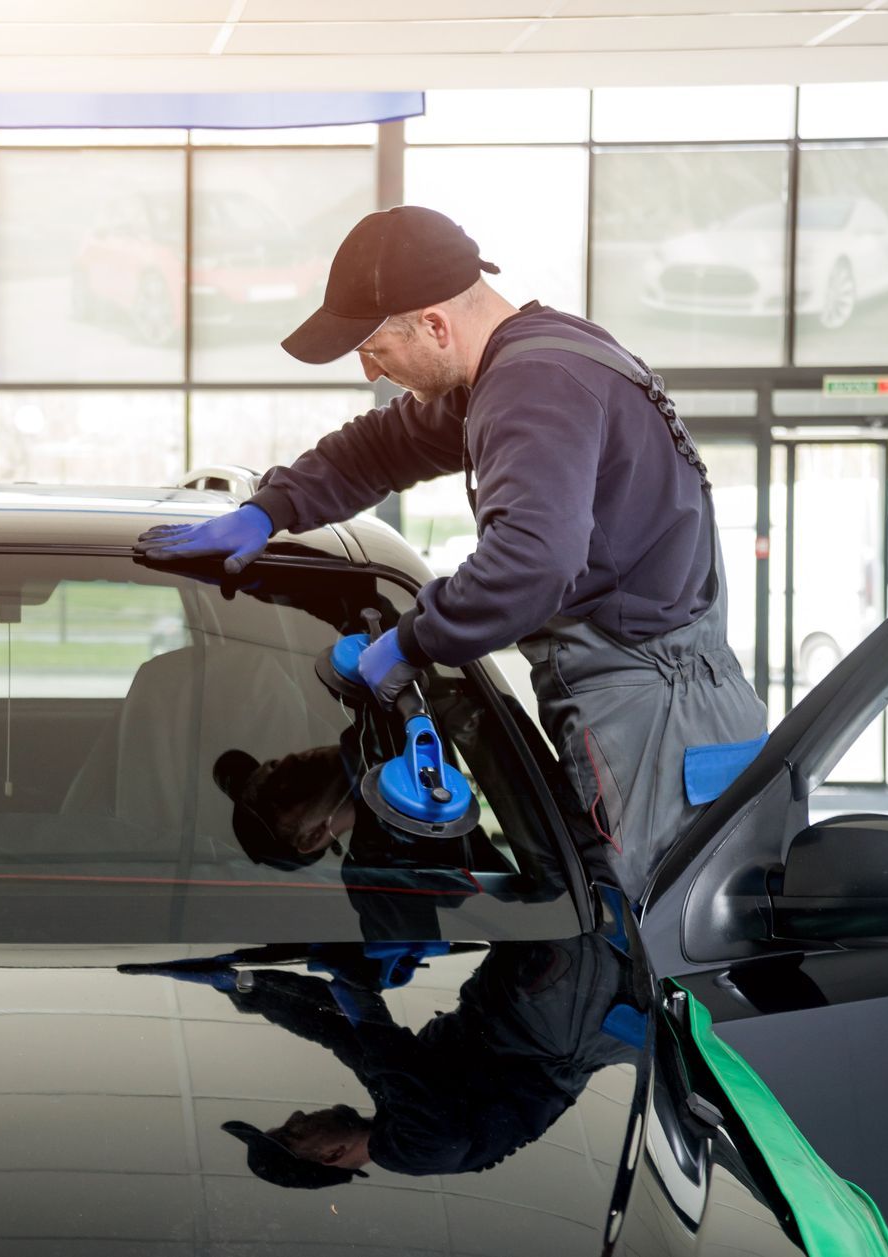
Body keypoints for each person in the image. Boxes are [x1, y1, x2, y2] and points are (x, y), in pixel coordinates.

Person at [136, 206, 767, 892]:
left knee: (653, 948)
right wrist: (272, 506)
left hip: (659, 725)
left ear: (435, 325)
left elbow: (534, 560)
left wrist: (414, 642)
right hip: (665, 707)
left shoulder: (531, 388)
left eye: (375, 347)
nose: (368, 367)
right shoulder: (536, 362)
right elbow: (386, 445)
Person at [123, 934, 641, 1188]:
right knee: (588, 901)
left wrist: (247, 986)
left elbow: (340, 1034)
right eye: (291, 1134)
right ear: (328, 1157)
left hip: (518, 1007)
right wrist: (361, 995)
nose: (298, 1117)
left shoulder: (391, 1121)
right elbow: (391, 1060)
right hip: (553, 1021)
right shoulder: (416, 1150)